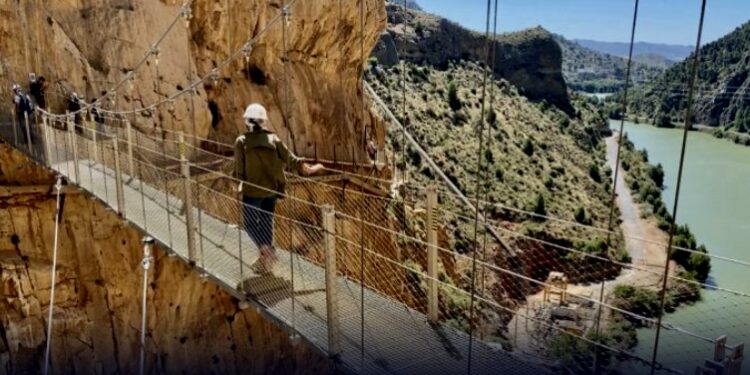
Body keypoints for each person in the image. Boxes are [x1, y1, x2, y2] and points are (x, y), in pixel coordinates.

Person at [234, 103, 324, 273]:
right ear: (263, 122)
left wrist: (238, 186)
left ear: (248, 122)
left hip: (252, 191)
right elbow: (291, 159)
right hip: (271, 191)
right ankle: (266, 260)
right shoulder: (274, 139)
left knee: (250, 224)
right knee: (267, 221)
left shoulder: (241, 142)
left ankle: (265, 250)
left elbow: (238, 172)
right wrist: (309, 168)